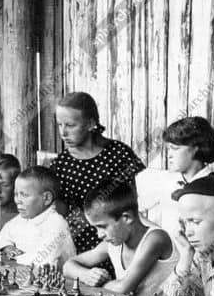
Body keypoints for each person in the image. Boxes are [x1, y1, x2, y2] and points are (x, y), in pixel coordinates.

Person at [50, 92, 145, 266]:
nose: (63, 133)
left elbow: (137, 201)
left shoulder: (119, 154)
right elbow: (60, 216)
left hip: (119, 239)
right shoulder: (61, 165)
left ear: (91, 123)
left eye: (70, 125)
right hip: (80, 248)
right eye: (59, 125)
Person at [136, 117, 214, 238]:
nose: (169, 155)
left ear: (195, 149)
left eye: (175, 149)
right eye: (168, 149)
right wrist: (160, 236)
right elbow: (134, 210)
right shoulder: (166, 181)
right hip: (172, 254)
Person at [63, 180, 177, 296]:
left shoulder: (156, 238)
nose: (99, 235)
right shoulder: (112, 244)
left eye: (103, 227)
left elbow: (123, 289)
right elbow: (68, 266)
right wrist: (86, 276)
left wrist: (100, 283)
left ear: (126, 218)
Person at [0, 166, 76, 267]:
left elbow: (43, 259)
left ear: (46, 198)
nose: (17, 200)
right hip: (24, 271)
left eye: (24, 195)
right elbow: (3, 236)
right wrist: (8, 247)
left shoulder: (57, 224)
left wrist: (17, 257)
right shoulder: (21, 219)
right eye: (16, 194)